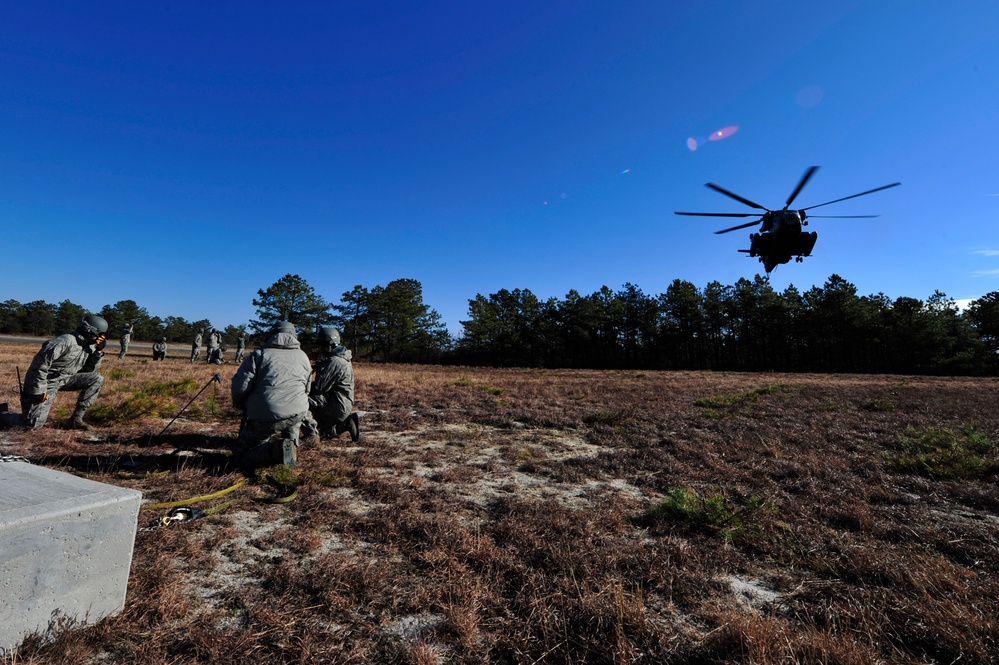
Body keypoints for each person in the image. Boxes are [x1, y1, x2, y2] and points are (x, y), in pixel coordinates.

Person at [231, 321, 312, 469]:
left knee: (240, 456)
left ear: (271, 335)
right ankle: (290, 446)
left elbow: (240, 388)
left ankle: (277, 451)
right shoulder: (303, 356)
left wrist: (240, 404)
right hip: (298, 412)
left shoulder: (259, 355)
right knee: (291, 421)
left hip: (267, 415)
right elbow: (307, 389)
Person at [20, 315, 108, 431]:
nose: (99, 338)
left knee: (96, 379)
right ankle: (4, 414)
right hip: (47, 382)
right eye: (99, 334)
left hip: (67, 379)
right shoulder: (63, 342)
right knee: (33, 426)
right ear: (90, 330)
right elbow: (38, 367)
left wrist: (98, 352)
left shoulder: (90, 346)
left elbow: (88, 371)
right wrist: (39, 391)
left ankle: (76, 420)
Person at [302, 327, 360, 443]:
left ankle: (311, 434)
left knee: (301, 400)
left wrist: (300, 387)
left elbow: (319, 388)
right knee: (322, 432)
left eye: (321, 345)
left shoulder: (334, 362)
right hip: (341, 404)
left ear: (328, 345)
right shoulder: (341, 359)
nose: (320, 349)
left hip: (337, 406)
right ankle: (346, 423)